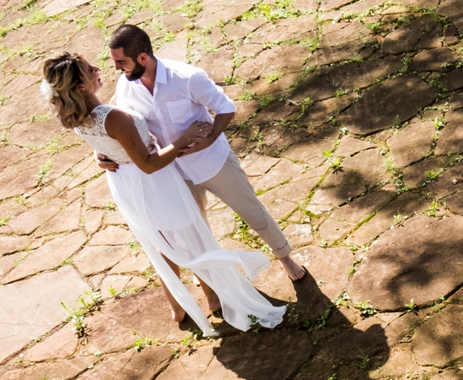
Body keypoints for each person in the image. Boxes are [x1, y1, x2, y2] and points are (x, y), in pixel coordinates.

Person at [42, 51, 286, 336]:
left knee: (162, 242)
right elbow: (148, 163)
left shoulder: (76, 116)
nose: (98, 68)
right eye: (89, 69)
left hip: (125, 182)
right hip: (153, 181)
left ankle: (177, 307)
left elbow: (108, 140)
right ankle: (213, 298)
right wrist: (184, 139)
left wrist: (102, 154)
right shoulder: (114, 117)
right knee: (191, 236)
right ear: (82, 87)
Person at [100, 24, 306, 282]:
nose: (116, 68)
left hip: (214, 162)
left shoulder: (186, 77)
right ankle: (211, 272)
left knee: (251, 211)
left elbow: (226, 107)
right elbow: (118, 122)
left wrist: (210, 139)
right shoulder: (126, 86)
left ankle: (285, 257)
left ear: (142, 57)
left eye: (121, 62)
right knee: (195, 228)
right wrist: (103, 153)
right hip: (175, 171)